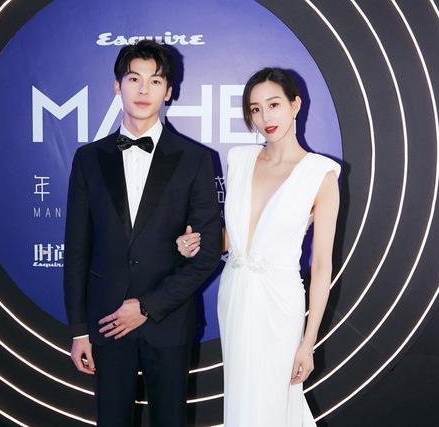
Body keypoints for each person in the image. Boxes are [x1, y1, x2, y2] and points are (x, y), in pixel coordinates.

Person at [63, 40, 222, 427]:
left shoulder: (196, 160)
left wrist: (148, 306)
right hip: (106, 322)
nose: (143, 90)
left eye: (155, 81)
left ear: (168, 91)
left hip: (168, 321)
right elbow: (77, 250)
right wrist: (79, 330)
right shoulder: (89, 159)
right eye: (134, 79)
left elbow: (206, 254)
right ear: (117, 85)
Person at [177, 68, 340, 426]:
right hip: (235, 295)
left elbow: (321, 266)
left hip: (280, 303)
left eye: (274, 104)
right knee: (242, 398)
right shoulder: (240, 159)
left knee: (275, 401)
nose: (265, 117)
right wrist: (198, 244)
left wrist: (308, 342)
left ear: (295, 105)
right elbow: (232, 237)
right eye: (255, 109)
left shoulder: (321, 174)